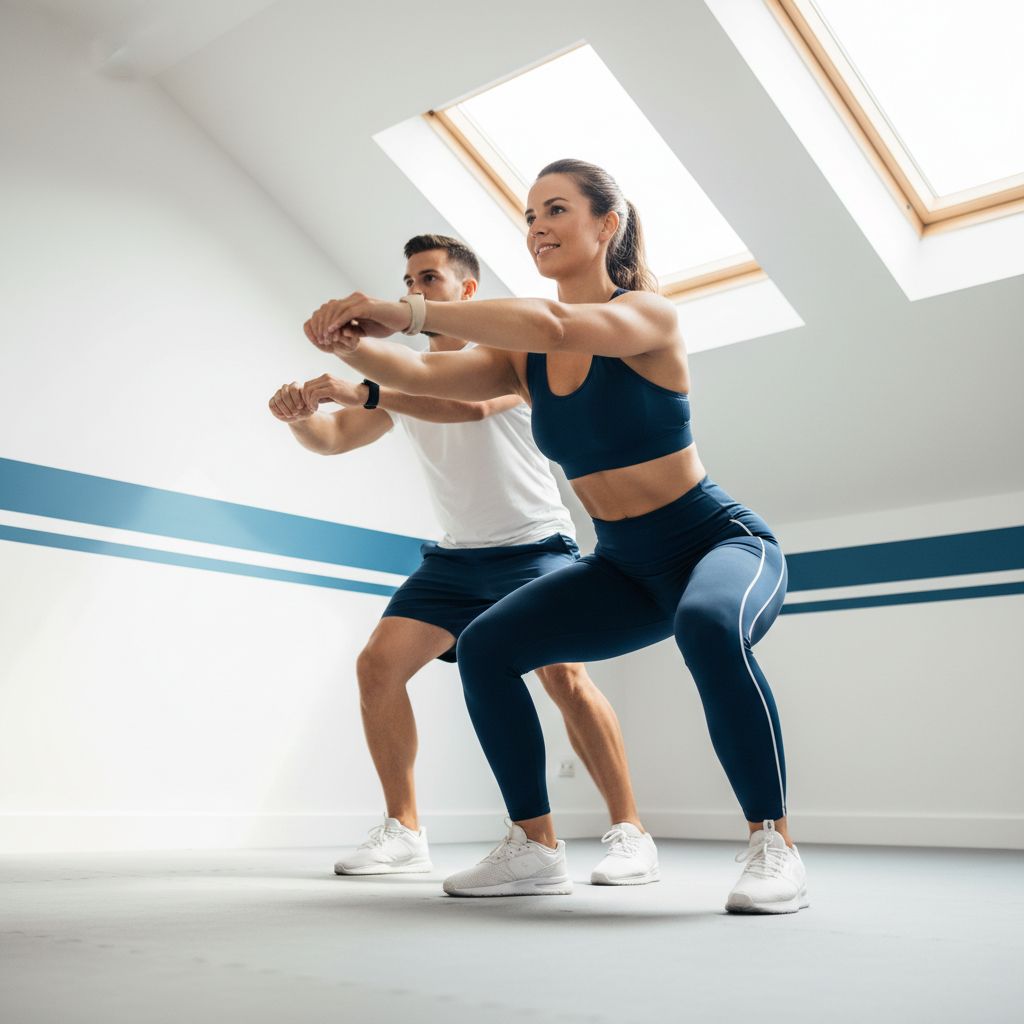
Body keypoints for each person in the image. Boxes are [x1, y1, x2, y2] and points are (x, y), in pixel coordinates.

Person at [302, 161, 809, 914]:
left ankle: (774, 845)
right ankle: (535, 847)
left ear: (607, 224)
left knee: (707, 625)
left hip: (716, 542)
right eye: (530, 213)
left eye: (556, 209)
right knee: (486, 648)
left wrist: (401, 310)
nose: (537, 224)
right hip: (624, 566)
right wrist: (347, 341)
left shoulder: (647, 317)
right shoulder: (521, 356)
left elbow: (557, 322)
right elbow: (437, 382)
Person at [271, 233, 659, 887]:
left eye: (428, 279)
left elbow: (468, 405)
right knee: (378, 667)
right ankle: (405, 832)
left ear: (465, 291)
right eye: (409, 281)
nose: (413, 291)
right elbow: (334, 440)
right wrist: (299, 414)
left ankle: (630, 834)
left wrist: (365, 391)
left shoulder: (510, 357)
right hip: (457, 561)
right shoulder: (396, 383)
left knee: (563, 678)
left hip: (536, 546)